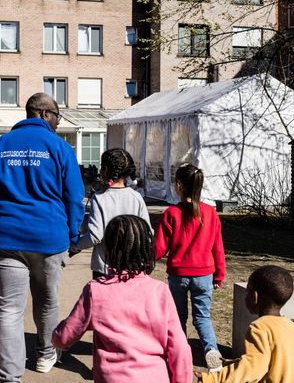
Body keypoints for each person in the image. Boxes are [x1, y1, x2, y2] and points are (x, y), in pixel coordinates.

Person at [0, 92, 85, 383]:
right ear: (44, 114)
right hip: (49, 239)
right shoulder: (60, 148)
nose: (59, 123)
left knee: (9, 308)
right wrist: (74, 235)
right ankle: (46, 354)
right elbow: (74, 198)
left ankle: (10, 376)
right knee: (47, 300)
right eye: (58, 116)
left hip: (7, 239)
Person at [52, 215, 193, 383]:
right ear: (147, 249)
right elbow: (179, 348)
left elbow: (65, 337)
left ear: (108, 250)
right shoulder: (159, 291)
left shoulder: (96, 291)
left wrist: (56, 336)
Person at [155, 163, 226, 372]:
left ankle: (178, 353)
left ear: (178, 185)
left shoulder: (171, 213)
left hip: (178, 275)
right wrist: (219, 275)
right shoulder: (210, 213)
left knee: (178, 317)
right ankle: (211, 351)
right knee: (202, 317)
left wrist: (147, 260)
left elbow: (159, 248)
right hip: (205, 275)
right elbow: (218, 247)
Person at [197, 265, 294, 383]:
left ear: (254, 297)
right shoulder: (291, 325)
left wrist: (213, 379)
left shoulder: (260, 327)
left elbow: (251, 368)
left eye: (247, 290)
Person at [73, 148, 151, 279]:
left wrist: (77, 246)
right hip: (132, 267)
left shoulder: (100, 198)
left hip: (105, 267)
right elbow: (148, 232)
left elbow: (95, 235)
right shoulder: (136, 197)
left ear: (104, 169)